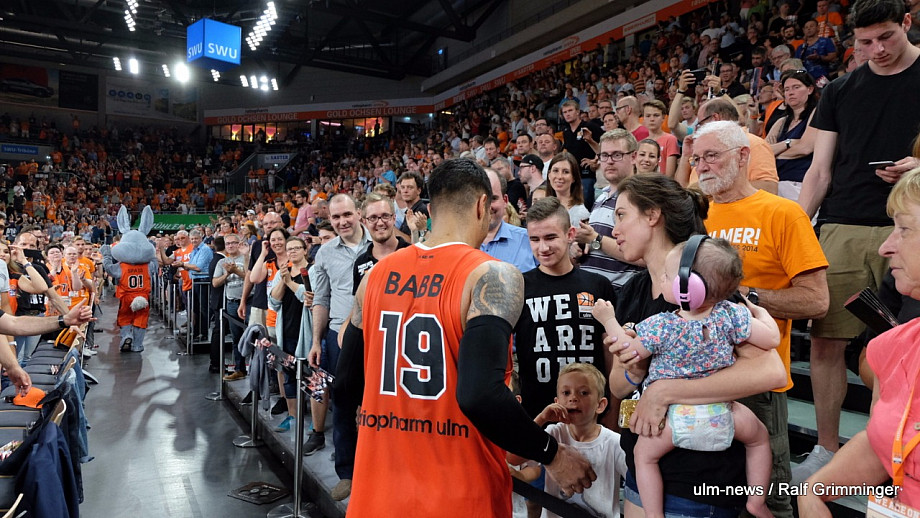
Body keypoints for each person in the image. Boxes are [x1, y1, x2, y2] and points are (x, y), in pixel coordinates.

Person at [337, 158, 597, 517]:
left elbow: (345, 385)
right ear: (481, 205)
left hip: (378, 489)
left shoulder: (375, 276)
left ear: (430, 210)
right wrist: (551, 454)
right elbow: (479, 395)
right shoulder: (491, 275)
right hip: (460, 490)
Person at [603, 173, 788, 518]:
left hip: (701, 482)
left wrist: (664, 392)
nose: (614, 230)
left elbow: (771, 371)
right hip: (643, 471)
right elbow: (617, 385)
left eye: (622, 215)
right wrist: (635, 371)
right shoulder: (632, 290)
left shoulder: (708, 293)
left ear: (652, 215)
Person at [797, 0, 920, 482]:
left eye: (886, 37)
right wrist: (796, 231)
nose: (877, 49)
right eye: (865, 42)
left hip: (908, 222)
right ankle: (827, 448)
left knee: (903, 346)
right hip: (842, 223)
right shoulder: (840, 90)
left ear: (906, 22)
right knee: (827, 341)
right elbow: (819, 171)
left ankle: (891, 449)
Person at [695, 120, 830, 516]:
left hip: (756, 380)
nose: (701, 166)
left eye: (711, 155)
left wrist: (742, 296)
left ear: (743, 156)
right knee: (707, 495)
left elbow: (816, 301)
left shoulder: (783, 213)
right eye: (696, 159)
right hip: (694, 376)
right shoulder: (693, 215)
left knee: (769, 499)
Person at [798, 167, 920, 515]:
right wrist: (810, 494)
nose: (885, 247)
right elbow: (883, 437)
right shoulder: (895, 345)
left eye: (904, 229)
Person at [308, 193, 370, 501]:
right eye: (336, 217)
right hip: (339, 337)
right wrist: (316, 340)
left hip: (379, 336)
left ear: (358, 213)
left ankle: (378, 470)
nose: (342, 221)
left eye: (347, 214)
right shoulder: (325, 253)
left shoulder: (382, 242)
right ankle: (347, 473)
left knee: (379, 405)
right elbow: (321, 298)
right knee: (343, 405)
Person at [530, 363, 628, 518]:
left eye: (583, 393)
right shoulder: (553, 433)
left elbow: (636, 483)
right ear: (557, 402)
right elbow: (517, 456)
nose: (573, 398)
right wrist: (541, 418)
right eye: (566, 392)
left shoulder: (614, 443)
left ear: (600, 405)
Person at [766, 69, 819, 202]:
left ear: (810, 89)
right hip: (776, 182)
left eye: (796, 87)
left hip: (800, 183)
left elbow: (805, 148)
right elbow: (763, 152)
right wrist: (788, 143)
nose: (790, 92)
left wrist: (775, 153)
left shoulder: (816, 113)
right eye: (787, 89)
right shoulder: (781, 121)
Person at [481, 168, 537, 273]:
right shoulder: (457, 243)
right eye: (481, 199)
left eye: (493, 198)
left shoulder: (529, 240)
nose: (488, 206)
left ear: (505, 201)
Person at [546, 152, 590, 223]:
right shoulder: (545, 207)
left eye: (566, 172)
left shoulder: (580, 213)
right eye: (555, 171)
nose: (560, 176)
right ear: (549, 175)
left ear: (574, 178)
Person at [642, 101, 679, 176]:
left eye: (656, 115)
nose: (652, 119)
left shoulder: (670, 139)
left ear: (663, 118)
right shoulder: (642, 143)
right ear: (643, 118)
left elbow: (670, 174)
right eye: (648, 116)